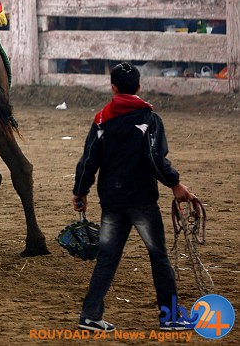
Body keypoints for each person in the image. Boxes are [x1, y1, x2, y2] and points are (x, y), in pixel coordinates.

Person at [73, 62, 197, 333]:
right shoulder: (148, 119)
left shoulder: (101, 120)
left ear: (113, 88)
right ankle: (170, 316)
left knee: (107, 258)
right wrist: (175, 184)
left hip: (112, 202)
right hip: (141, 200)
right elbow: (154, 159)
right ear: (139, 87)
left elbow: (89, 159)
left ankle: (90, 316)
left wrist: (80, 192)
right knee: (158, 256)